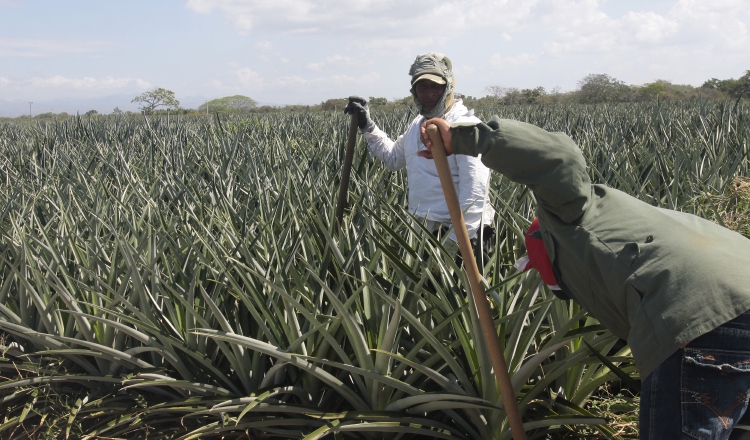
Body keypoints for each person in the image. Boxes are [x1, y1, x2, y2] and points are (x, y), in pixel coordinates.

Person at [419, 116, 750, 439]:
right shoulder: (644, 225)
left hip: (701, 317)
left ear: (545, 254)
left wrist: (470, 139)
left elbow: (559, 157)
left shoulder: (570, 214)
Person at [344, 52, 495, 263]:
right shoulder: (418, 125)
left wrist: (452, 247)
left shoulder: (466, 127)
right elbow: (392, 157)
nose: (429, 93)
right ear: (414, 90)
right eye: (422, 87)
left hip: (464, 235)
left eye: (436, 86)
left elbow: (475, 198)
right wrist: (367, 126)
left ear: (449, 87)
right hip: (425, 232)